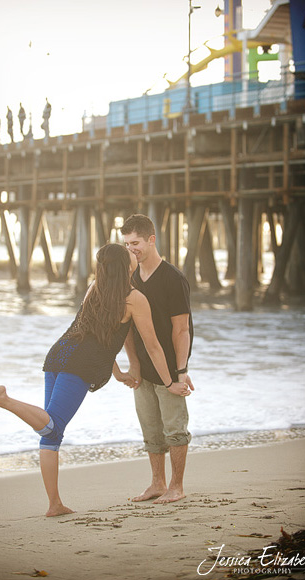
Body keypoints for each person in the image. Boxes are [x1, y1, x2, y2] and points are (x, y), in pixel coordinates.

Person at [0, 243, 189, 517]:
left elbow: (95, 333)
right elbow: (152, 346)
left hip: (58, 354)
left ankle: (54, 504)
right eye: (128, 252)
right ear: (124, 265)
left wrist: (117, 371)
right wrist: (170, 383)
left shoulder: (95, 287)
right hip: (78, 364)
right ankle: (5, 399)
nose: (133, 253)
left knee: (51, 436)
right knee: (51, 427)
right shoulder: (134, 298)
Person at [120, 214, 195, 505]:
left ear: (152, 239)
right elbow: (126, 327)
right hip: (143, 369)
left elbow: (182, 330)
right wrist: (132, 364)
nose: (131, 249)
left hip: (168, 369)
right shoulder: (132, 278)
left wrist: (181, 372)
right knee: (151, 431)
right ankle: (157, 484)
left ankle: (177, 486)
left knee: (175, 429)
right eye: (127, 244)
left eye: (135, 243)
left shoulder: (173, 278)